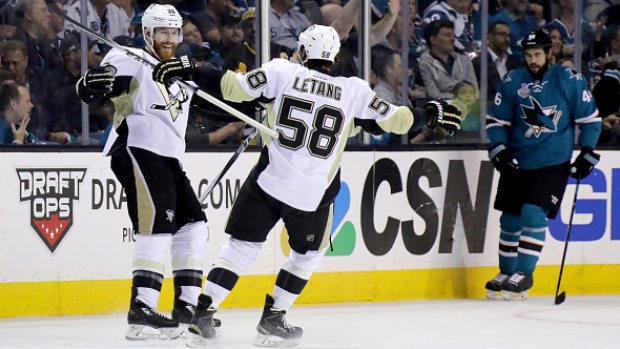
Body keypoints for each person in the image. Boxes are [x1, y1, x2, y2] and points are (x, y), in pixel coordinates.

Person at [151, 24, 461, 346]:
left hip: (269, 181)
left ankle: (204, 311)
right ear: (335, 56)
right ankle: (275, 317)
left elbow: (232, 88)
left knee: (241, 247)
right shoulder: (353, 90)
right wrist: (428, 114)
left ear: (301, 52)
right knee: (307, 255)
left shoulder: (281, 71)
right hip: (311, 195)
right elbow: (394, 120)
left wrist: (194, 69)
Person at [75, 4, 219, 340]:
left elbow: (209, 106)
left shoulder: (178, 73)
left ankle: (185, 306)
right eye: (162, 33)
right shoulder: (129, 59)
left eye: (174, 33)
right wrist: (90, 85)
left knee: (194, 225)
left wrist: (246, 119)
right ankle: (141, 308)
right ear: (148, 34)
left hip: (168, 159)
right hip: (138, 149)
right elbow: (100, 87)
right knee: (156, 225)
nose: (169, 39)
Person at [485, 29, 602, 301]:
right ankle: (506, 272)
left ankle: (525, 272)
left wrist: (587, 151)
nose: (533, 60)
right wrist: (499, 149)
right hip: (517, 161)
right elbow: (496, 122)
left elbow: (590, 119)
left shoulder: (569, 80)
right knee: (510, 218)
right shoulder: (513, 80)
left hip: (552, 162)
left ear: (550, 53)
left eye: (537, 54)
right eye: (528, 55)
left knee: (533, 213)